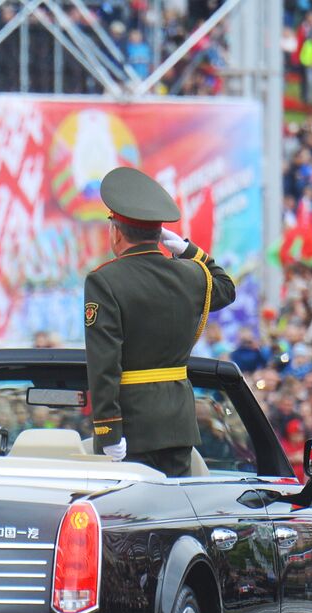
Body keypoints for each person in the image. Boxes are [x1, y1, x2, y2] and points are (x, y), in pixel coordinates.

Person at [83, 167, 237, 476]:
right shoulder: (191, 274)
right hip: (177, 425)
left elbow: (104, 364)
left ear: (117, 230)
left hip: (132, 427)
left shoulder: (105, 281)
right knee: (172, 519)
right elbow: (225, 287)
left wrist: (108, 430)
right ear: (160, 234)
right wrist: (187, 250)